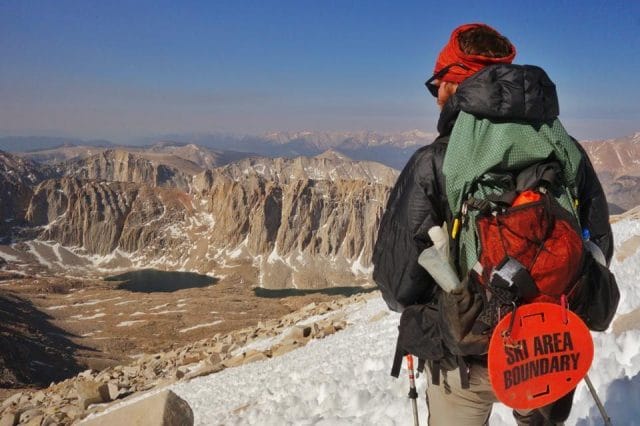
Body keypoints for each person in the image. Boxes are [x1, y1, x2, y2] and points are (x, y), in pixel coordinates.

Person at [372, 23, 613, 425]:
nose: (435, 98)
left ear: (456, 86)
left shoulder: (434, 163)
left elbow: (398, 285)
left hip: (464, 356)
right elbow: (598, 244)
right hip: (548, 349)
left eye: (437, 86)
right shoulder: (564, 150)